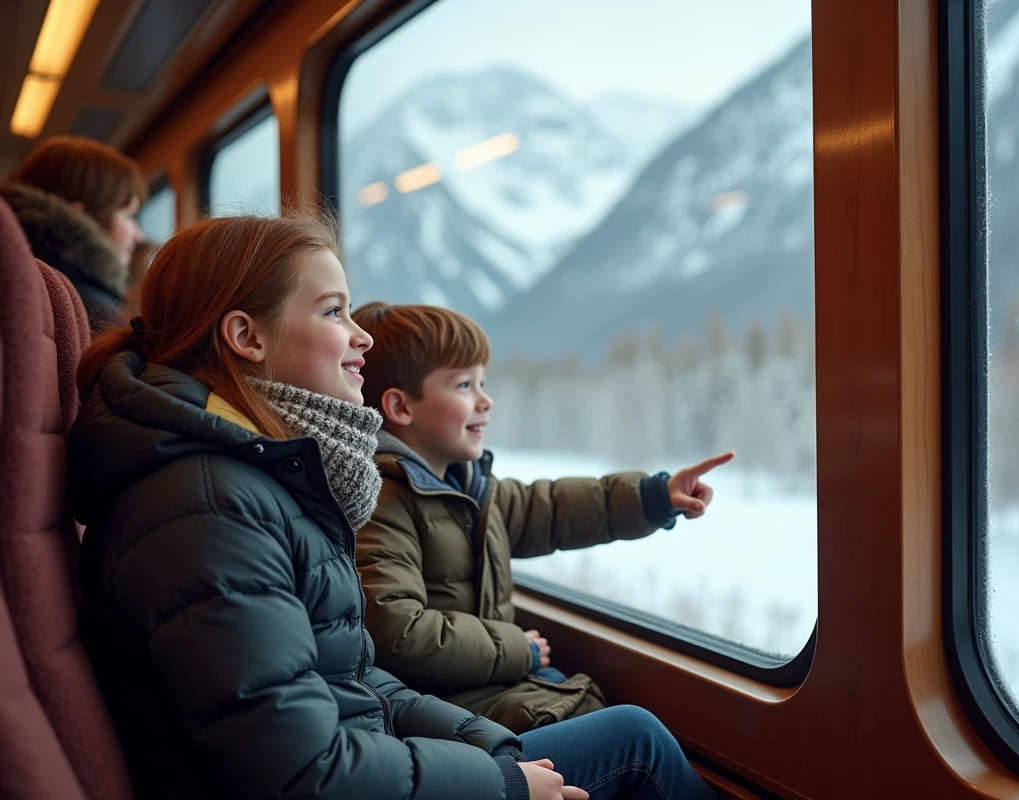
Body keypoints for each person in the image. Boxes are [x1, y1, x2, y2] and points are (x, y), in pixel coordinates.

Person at [69, 213, 721, 800]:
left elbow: (353, 680)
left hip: (373, 760)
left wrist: (491, 749)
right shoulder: (207, 505)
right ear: (246, 336)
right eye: (332, 312)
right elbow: (301, 771)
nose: (362, 339)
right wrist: (502, 784)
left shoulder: (257, 478)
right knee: (636, 744)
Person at [351, 302, 733, 734]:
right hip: (444, 710)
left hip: (485, 685)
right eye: (464, 385)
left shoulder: (470, 493)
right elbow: (398, 633)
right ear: (401, 407)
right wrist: (519, 649)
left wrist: (654, 496)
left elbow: (554, 508)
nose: (485, 400)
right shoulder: (382, 500)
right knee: (630, 735)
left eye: (483, 382)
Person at [2, 135, 146, 331]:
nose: (139, 235)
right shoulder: (94, 312)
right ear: (82, 217)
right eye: (128, 215)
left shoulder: (24, 281)